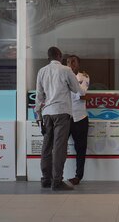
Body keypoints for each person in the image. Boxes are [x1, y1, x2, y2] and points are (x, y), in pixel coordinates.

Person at [35, 46, 83, 191]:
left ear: (48, 57)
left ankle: (45, 179)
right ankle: (57, 181)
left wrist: (38, 115)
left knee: (47, 147)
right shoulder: (66, 70)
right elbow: (78, 91)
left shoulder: (41, 71)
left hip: (47, 113)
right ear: (59, 56)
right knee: (59, 148)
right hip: (62, 112)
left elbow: (39, 96)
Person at [66, 55, 90, 186]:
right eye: (68, 62)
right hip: (66, 117)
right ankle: (57, 175)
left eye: (73, 62)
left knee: (80, 148)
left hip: (80, 118)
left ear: (78, 64)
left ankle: (78, 176)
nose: (71, 64)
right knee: (59, 147)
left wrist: (72, 92)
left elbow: (81, 94)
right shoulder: (62, 75)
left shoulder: (84, 76)